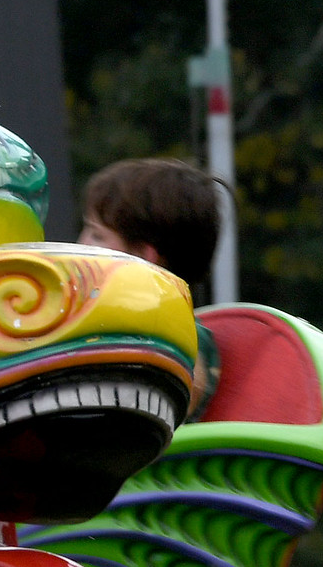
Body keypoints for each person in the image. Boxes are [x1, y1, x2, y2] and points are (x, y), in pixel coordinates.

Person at [76, 157, 224, 413]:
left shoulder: (175, 338)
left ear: (143, 258)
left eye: (96, 234)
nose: (80, 245)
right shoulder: (99, 325)